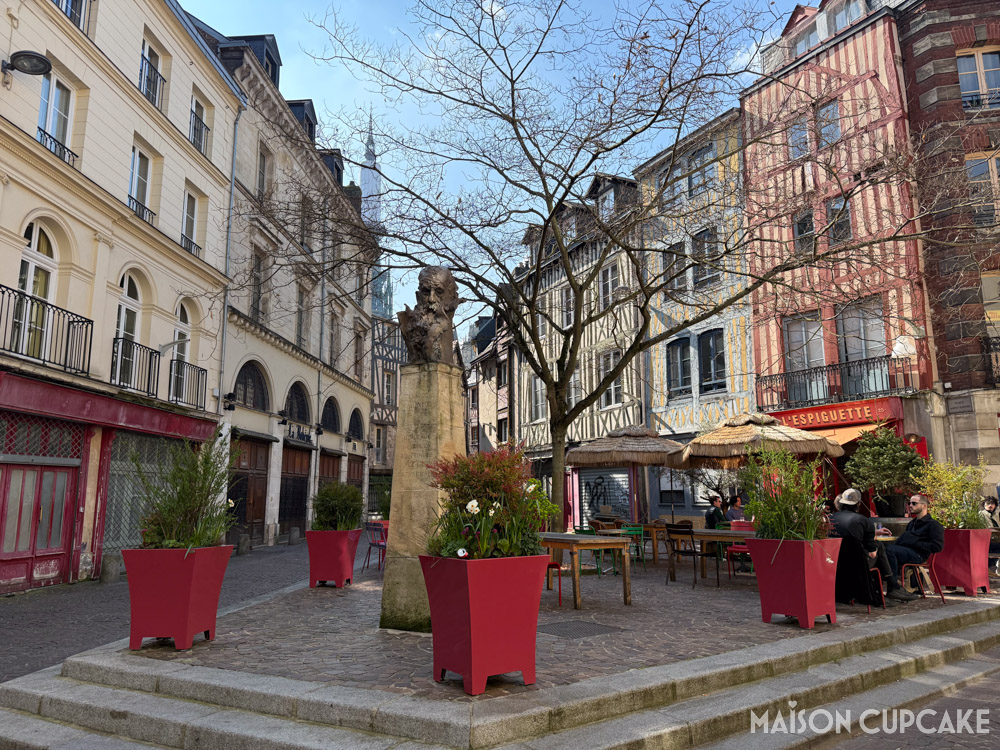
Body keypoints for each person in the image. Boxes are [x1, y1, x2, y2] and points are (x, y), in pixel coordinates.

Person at [831, 488, 914, 601]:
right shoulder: (863, 521)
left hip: (835, 563)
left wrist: (873, 533)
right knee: (879, 548)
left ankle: (890, 588)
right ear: (859, 503)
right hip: (857, 565)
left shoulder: (831, 518)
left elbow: (849, 534)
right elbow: (872, 555)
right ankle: (893, 587)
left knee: (878, 549)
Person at [885, 494, 945, 593]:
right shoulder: (912, 523)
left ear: (924, 506)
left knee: (890, 550)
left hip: (919, 555)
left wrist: (914, 542)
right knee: (882, 549)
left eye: (914, 503)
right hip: (907, 552)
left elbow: (937, 547)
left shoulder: (933, 525)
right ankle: (879, 586)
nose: (910, 506)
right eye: (909, 503)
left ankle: (894, 588)